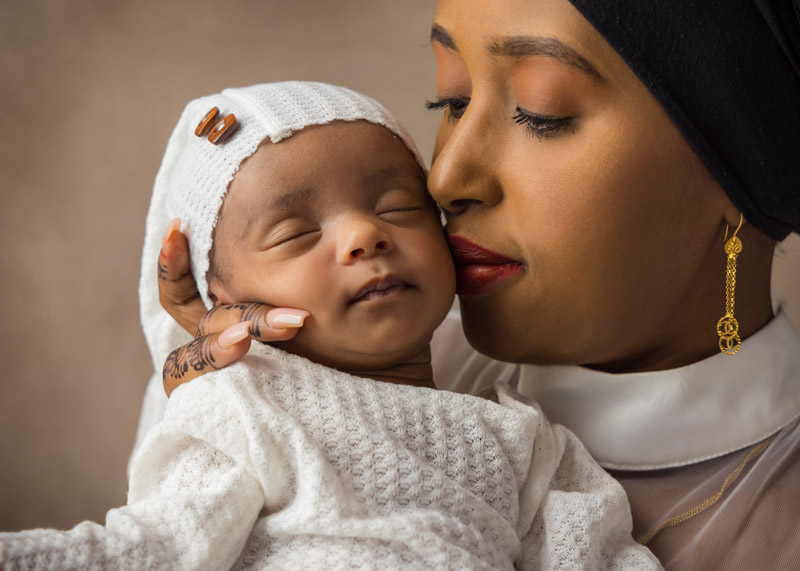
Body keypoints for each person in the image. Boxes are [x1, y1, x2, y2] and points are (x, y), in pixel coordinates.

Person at [149, 2, 800, 570]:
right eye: (452, 101)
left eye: (541, 114)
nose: (445, 176)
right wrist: (225, 399)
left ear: (736, 169)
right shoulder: (370, 362)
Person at [0, 82, 662, 570]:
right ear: (227, 298)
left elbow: (598, 551)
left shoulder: (519, 435)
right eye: (294, 232)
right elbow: (155, 547)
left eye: (398, 206)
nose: (363, 233)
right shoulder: (244, 409)